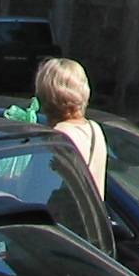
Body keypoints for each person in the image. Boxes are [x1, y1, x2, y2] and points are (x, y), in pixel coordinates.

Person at [35, 57, 107, 197]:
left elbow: (38, 188)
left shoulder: (58, 136)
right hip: (90, 217)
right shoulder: (94, 129)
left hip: (62, 217)